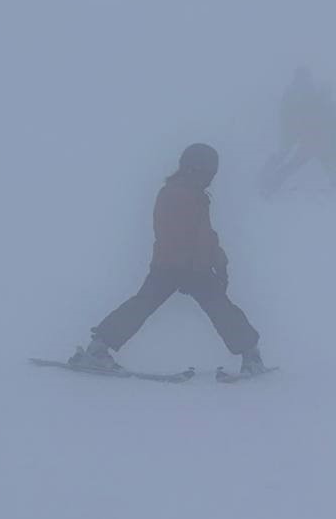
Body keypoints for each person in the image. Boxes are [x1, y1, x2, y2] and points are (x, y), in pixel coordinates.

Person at [73, 143, 267, 377]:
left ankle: (251, 354)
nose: (210, 179)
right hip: (176, 266)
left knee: (215, 308)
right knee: (153, 305)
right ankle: (97, 350)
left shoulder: (195, 195)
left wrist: (219, 260)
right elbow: (172, 234)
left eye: (212, 174)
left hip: (188, 267)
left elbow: (205, 233)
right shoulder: (175, 194)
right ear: (192, 169)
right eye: (207, 173)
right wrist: (190, 268)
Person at [261, 66, 336, 199]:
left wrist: (301, 135)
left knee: (291, 168)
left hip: (316, 146)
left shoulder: (316, 106)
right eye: (326, 94)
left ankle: (268, 189)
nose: (327, 96)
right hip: (318, 146)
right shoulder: (320, 106)